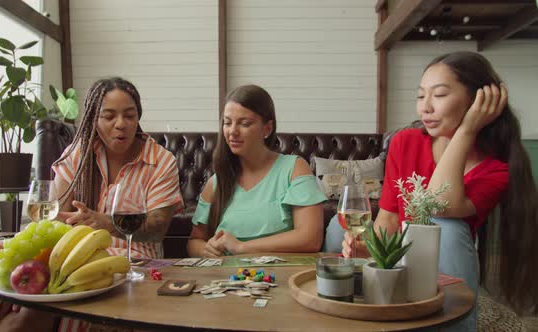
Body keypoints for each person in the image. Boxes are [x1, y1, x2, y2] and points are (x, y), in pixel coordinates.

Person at [0, 77, 184, 332]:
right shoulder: (78, 154)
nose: (121, 125)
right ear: (93, 119)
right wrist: (61, 221)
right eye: (109, 116)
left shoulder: (160, 160)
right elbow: (54, 213)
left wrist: (106, 223)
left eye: (130, 115)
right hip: (62, 256)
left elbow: (157, 228)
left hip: (123, 266)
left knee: (26, 317)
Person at [324, 51, 538, 328]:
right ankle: (335, 310)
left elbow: (438, 204)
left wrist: (466, 130)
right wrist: (371, 249)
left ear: (477, 102)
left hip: (440, 268)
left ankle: (458, 324)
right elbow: (389, 218)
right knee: (336, 227)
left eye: (439, 95)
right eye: (420, 95)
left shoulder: (495, 170)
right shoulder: (406, 141)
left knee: (444, 224)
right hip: (396, 258)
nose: (425, 107)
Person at [187, 84, 328, 257]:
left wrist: (241, 247)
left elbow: (310, 238)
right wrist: (205, 250)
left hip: (284, 276)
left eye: (244, 123)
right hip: (228, 279)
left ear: (267, 128)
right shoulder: (215, 183)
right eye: (227, 122)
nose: (232, 131)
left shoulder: (295, 169)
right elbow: (194, 242)